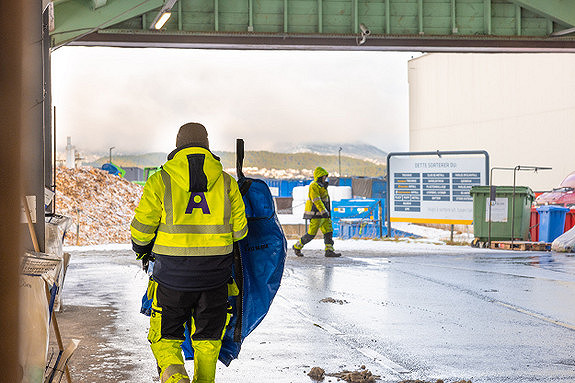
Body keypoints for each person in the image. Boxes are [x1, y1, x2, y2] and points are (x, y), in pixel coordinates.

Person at [130, 122, 248, 383]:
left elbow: (141, 231)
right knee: (208, 340)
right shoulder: (227, 183)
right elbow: (240, 232)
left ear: (177, 145)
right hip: (216, 280)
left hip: (171, 279)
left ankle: (176, 379)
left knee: (165, 337)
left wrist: (142, 250)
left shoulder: (159, 181)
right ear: (207, 145)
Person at [293, 167, 341, 258]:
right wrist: (324, 211)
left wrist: (326, 213)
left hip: (324, 215)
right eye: (323, 176)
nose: (325, 178)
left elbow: (325, 201)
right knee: (311, 234)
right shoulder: (314, 186)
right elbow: (316, 200)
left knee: (329, 231)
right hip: (316, 215)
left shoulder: (322, 186)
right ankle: (297, 246)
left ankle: (329, 250)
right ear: (319, 176)